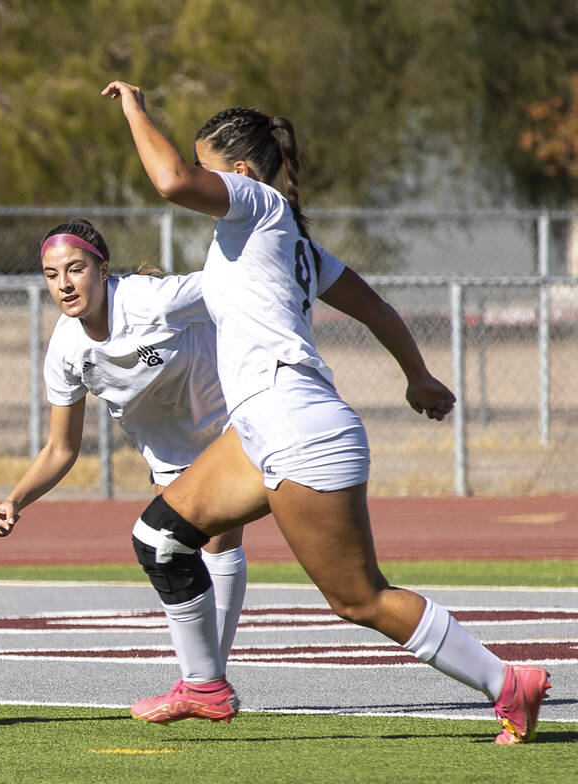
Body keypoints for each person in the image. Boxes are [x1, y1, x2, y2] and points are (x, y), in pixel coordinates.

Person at [100, 80, 551, 743]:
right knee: (162, 538)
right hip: (261, 428)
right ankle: (204, 686)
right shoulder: (286, 243)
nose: (201, 179)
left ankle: (507, 682)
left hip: (295, 426)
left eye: (209, 165)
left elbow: (169, 180)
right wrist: (417, 377)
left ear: (244, 171)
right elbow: (377, 309)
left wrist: (135, 107)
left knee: (358, 598)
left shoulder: (253, 201)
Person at [0, 219, 270, 679]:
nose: (64, 284)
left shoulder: (153, 301)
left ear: (102, 270)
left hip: (232, 426)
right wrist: (14, 500)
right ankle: (206, 680)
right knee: (171, 552)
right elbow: (61, 448)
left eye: (75, 269)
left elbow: (237, 284)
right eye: (52, 275)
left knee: (218, 537)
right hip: (168, 456)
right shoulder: (65, 349)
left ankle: (206, 681)